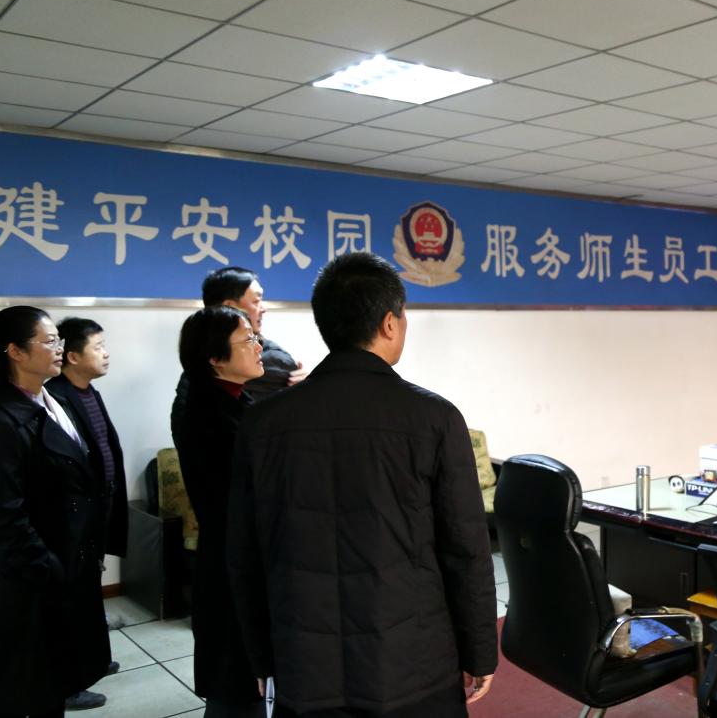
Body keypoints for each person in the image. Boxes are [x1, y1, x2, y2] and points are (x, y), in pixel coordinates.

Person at [227, 252, 497, 717]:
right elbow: (465, 549)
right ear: (390, 323)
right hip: (413, 664)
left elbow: (245, 553)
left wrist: (262, 657)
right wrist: (479, 651)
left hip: (305, 663)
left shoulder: (263, 423)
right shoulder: (434, 418)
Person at [0, 306, 111, 718]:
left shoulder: (54, 400)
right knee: (22, 694)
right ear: (15, 351)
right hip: (29, 582)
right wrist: (49, 571)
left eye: (59, 340)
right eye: (49, 341)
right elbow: (3, 518)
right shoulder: (1, 420)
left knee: (52, 688)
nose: (59, 348)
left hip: (62, 568)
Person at [175, 305, 266, 718]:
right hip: (231, 558)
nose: (258, 346)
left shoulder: (234, 398)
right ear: (215, 357)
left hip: (239, 554)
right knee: (235, 681)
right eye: (247, 340)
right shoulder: (207, 414)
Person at [44, 318, 129, 711]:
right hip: (74, 518)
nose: (106, 353)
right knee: (70, 600)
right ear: (73, 356)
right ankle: (68, 683)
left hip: (98, 510)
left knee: (89, 593)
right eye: (98, 346)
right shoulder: (56, 397)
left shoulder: (88, 391)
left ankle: (93, 659)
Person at [171, 267, 303, 446]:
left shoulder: (205, 378)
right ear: (229, 308)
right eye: (256, 301)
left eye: (254, 340)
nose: (263, 309)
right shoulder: (207, 411)